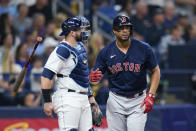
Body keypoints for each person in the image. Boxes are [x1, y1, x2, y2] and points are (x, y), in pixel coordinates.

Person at [89, 15, 160, 131]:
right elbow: (95, 76)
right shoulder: (105, 52)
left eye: (127, 27)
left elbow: (156, 71)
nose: (124, 31)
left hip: (138, 100)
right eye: (120, 28)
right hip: (116, 100)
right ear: (114, 31)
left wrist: (151, 95)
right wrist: (92, 77)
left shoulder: (144, 48)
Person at [41, 16, 99, 131]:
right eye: (81, 29)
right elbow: (46, 76)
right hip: (68, 97)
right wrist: (47, 101)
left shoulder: (80, 47)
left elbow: (83, 75)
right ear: (72, 33)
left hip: (83, 97)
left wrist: (91, 98)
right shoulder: (63, 49)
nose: (85, 32)